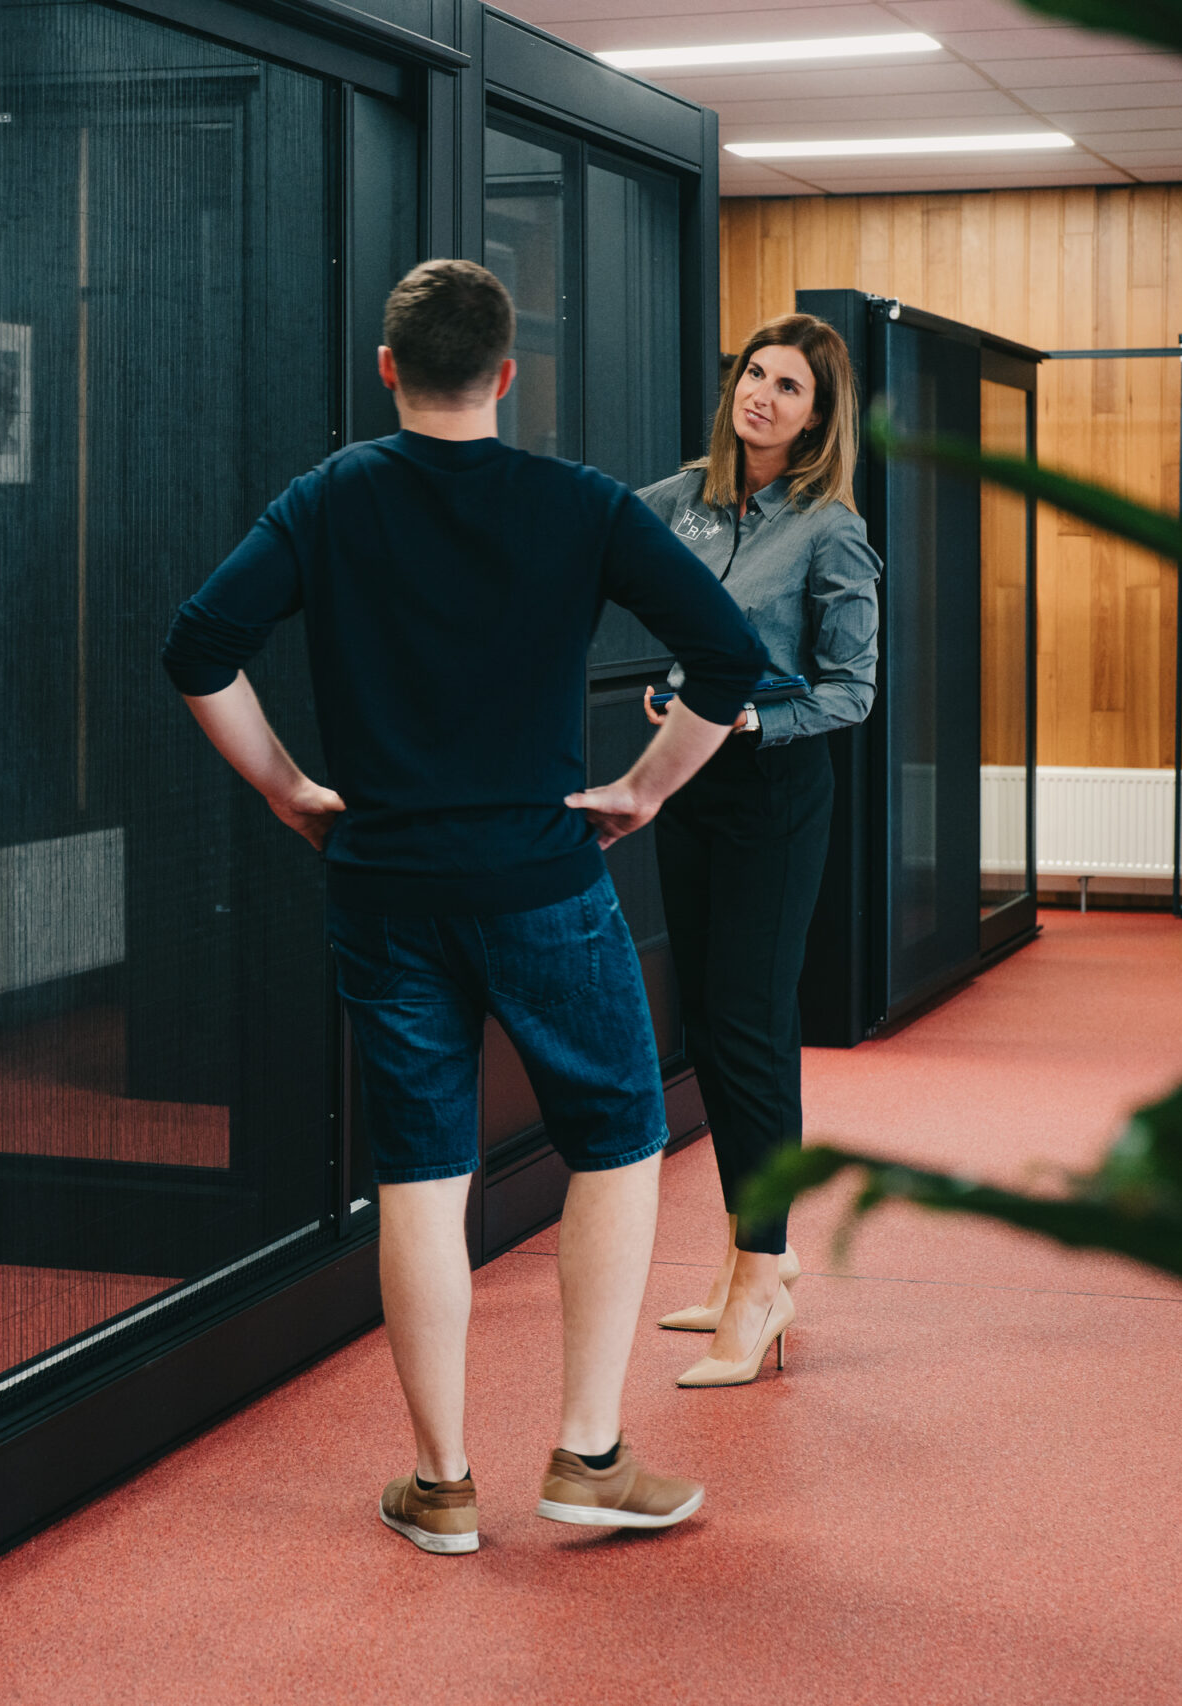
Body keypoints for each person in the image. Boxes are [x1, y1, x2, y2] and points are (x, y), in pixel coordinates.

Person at [159, 259, 770, 1555]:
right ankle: (588, 1457)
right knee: (613, 1143)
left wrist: (285, 788)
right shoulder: (579, 506)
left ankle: (440, 1484)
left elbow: (198, 646)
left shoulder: (328, 501)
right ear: (506, 375)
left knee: (424, 1177)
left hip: (382, 888)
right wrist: (647, 789)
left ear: (389, 368)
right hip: (543, 881)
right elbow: (726, 657)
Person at [636, 312, 880, 1388]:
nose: (763, 396)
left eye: (790, 387)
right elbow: (597, 543)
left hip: (774, 798)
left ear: (819, 416)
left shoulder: (829, 529)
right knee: (712, 1023)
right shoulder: (681, 499)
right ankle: (747, 1262)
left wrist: (747, 720)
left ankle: (763, 1275)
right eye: (754, 373)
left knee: (749, 1032)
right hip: (689, 790)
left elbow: (852, 691)